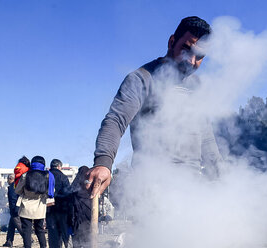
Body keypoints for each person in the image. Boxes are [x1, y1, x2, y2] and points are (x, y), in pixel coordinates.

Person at [86, 16, 222, 197]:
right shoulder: (142, 78)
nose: (191, 61)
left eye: (200, 57)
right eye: (186, 50)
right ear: (172, 41)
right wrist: (103, 163)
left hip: (192, 190)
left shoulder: (196, 87)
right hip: (152, 189)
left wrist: (223, 178)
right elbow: (116, 120)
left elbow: (206, 138)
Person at [15, 156, 55, 248]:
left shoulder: (25, 175)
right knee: (40, 231)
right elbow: (51, 192)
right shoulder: (48, 175)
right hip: (40, 207)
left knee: (27, 232)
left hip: (26, 207)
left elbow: (18, 190)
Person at [46, 159, 72, 248]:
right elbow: (68, 193)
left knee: (52, 229)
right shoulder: (63, 177)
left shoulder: (46, 176)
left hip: (50, 207)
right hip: (62, 207)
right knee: (64, 228)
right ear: (59, 166)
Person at [70, 166, 92, 248]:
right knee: (87, 231)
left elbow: (70, 194)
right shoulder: (89, 183)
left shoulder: (76, 183)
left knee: (76, 231)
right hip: (88, 211)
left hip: (76, 211)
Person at [3, 174, 23, 247]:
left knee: (19, 225)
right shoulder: (18, 185)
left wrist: (13, 209)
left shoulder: (12, 187)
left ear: (11, 179)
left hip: (15, 210)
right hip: (18, 208)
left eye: (8, 179)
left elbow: (13, 199)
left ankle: (28, 239)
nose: (7, 181)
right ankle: (9, 241)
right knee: (11, 226)